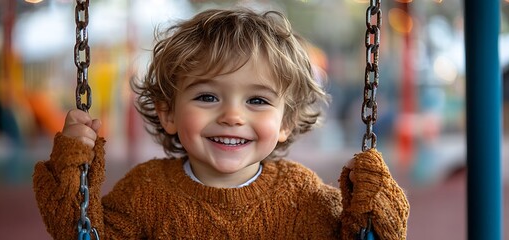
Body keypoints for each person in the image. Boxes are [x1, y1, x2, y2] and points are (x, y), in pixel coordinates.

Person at [33, 8, 409, 239]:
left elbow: (367, 236)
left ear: (286, 122)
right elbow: (82, 233)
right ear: (168, 113)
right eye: (207, 97)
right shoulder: (144, 192)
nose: (232, 116)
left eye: (257, 100)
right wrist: (74, 164)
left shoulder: (304, 197)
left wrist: (373, 199)